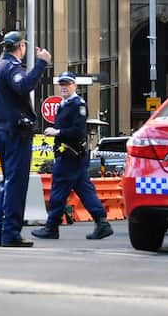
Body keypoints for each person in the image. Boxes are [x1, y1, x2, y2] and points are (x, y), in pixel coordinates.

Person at [0, 31, 51, 247]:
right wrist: (41, 63)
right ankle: (11, 232)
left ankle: (0, 231)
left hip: (2, 129)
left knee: (7, 181)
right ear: (21, 46)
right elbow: (24, 85)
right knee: (16, 183)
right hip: (15, 132)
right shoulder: (11, 67)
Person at [33, 72, 114, 241]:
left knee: (58, 191)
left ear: (74, 86)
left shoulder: (77, 105)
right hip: (72, 156)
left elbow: (78, 131)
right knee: (85, 190)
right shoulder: (66, 103)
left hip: (70, 155)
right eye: (61, 84)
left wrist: (57, 132)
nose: (63, 87)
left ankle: (52, 227)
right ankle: (102, 222)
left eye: (67, 84)